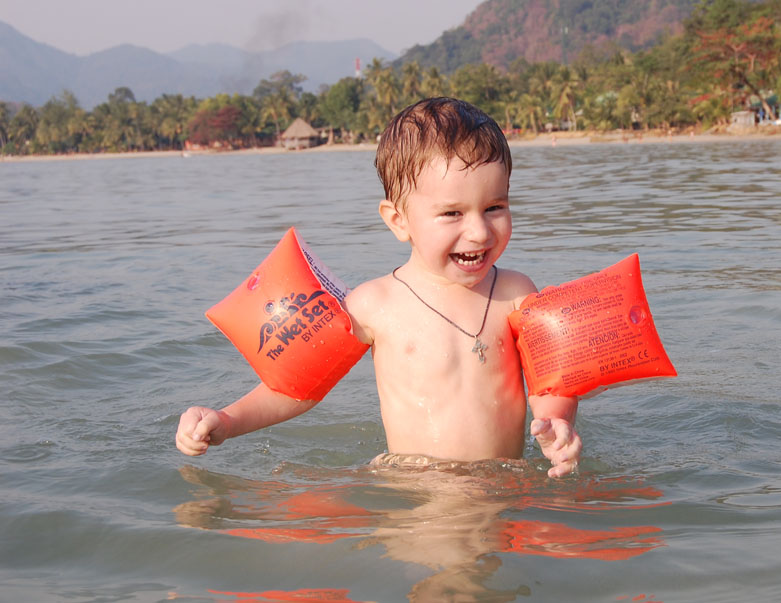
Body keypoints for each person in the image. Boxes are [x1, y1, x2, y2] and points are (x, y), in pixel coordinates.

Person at [175, 97, 582, 478]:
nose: (478, 231)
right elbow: (301, 387)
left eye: (495, 207)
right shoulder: (375, 304)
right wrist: (228, 421)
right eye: (451, 213)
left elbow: (551, 380)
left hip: (502, 485)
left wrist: (556, 424)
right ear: (397, 221)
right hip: (414, 488)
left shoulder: (515, 292)